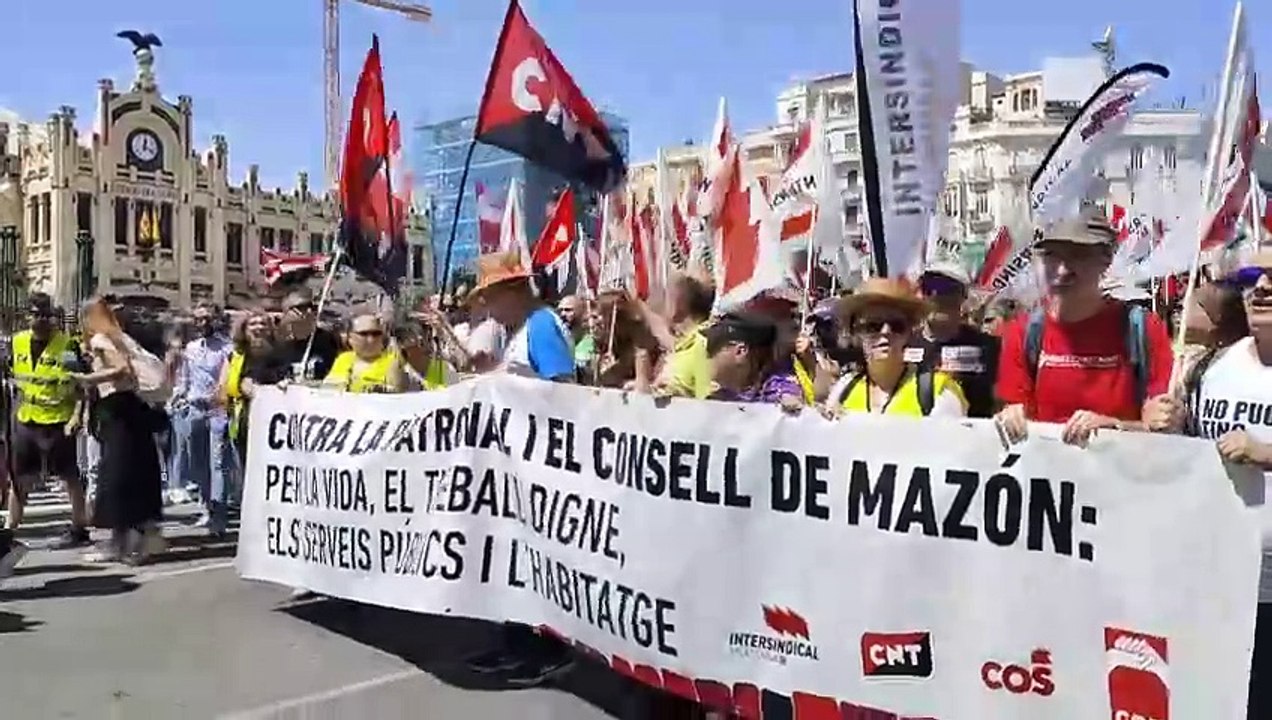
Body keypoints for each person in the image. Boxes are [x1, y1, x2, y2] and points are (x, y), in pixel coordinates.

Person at [1142, 252, 1270, 719]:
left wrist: (1268, 454)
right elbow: (1187, 453)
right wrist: (1163, 423)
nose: (1264, 287)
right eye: (1254, 276)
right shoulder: (1209, 368)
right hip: (1214, 580)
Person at [462, 251, 575, 687]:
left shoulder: (542, 325)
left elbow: (563, 390)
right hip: (515, 459)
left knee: (533, 556)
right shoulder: (518, 332)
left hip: (539, 460)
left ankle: (544, 651)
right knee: (510, 554)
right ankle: (512, 643)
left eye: (491, 297)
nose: (488, 308)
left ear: (513, 290)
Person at [995, 208, 1173, 445]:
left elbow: (1162, 432)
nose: (1062, 270)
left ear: (1106, 260)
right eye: (1052, 256)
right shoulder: (1023, 333)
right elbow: (1017, 423)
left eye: (1077, 256)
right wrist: (1009, 419)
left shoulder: (1144, 329)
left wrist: (1113, 429)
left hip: (1123, 477)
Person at [72, 298, 165, 564]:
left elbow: (121, 370)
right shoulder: (120, 337)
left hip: (119, 411)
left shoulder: (101, 339)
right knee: (136, 473)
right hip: (134, 410)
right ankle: (133, 543)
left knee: (117, 476)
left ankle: (121, 545)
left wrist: (87, 378)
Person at [5, 293, 92, 549]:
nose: (41, 320)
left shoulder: (65, 346)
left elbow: (79, 384)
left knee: (68, 477)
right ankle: (10, 531)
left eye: (46, 315)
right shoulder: (17, 342)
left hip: (58, 421)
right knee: (20, 478)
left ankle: (79, 526)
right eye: (36, 314)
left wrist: (77, 415)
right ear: (27, 316)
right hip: (27, 419)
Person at [824, 277, 967, 418]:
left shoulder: (938, 391)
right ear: (855, 332)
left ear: (909, 332)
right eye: (873, 326)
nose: (885, 332)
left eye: (896, 326)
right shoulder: (843, 392)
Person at [169, 303, 233, 531]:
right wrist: (178, 397)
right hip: (193, 411)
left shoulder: (227, 349)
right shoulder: (192, 348)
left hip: (217, 411)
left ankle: (219, 516)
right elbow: (184, 379)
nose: (202, 323)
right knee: (198, 463)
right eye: (198, 319)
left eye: (207, 318)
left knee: (218, 464)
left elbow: (226, 380)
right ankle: (206, 506)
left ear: (216, 320)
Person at [908, 262, 1000, 418]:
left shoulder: (989, 347)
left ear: (963, 298)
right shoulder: (903, 345)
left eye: (946, 288)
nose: (936, 294)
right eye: (929, 286)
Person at [703, 311, 803, 411]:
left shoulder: (776, 391)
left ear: (740, 351)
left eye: (711, 349)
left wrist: (789, 403)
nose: (706, 357)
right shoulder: (720, 398)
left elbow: (790, 400)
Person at [272, 287, 342, 383]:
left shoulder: (328, 340)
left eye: (311, 307)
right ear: (285, 312)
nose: (309, 311)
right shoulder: (275, 342)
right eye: (301, 308)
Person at [323, 314, 407, 393]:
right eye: (363, 334)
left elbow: (396, 396)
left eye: (376, 334)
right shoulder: (344, 359)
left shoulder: (393, 362)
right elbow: (328, 388)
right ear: (350, 338)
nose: (371, 340)